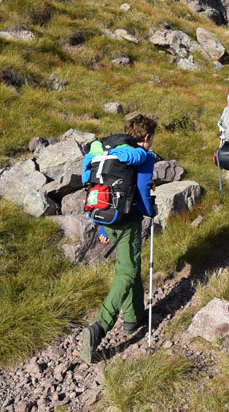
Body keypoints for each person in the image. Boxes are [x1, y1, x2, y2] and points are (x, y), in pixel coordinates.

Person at [80, 114, 157, 363]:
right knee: (126, 271)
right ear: (146, 137)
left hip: (103, 216)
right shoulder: (141, 157)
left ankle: (133, 319)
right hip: (127, 221)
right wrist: (150, 211)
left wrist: (102, 229)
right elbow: (144, 191)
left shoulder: (107, 152)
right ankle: (100, 326)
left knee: (130, 264)